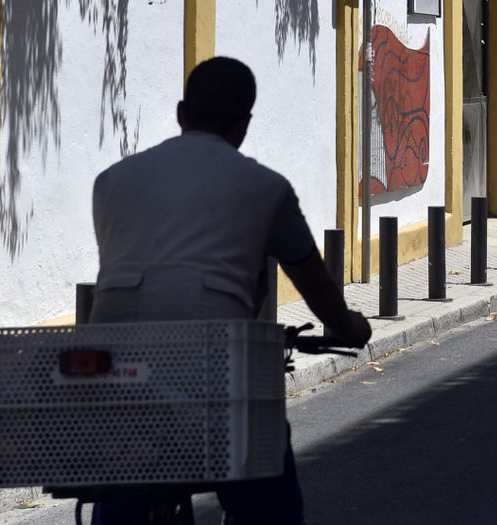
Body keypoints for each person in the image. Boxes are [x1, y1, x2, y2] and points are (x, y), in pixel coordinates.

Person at [89, 56, 371, 524]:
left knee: (122, 481)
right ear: (244, 125)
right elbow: (316, 286)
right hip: (218, 372)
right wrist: (348, 327)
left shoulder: (111, 182)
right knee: (268, 496)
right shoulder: (266, 187)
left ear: (182, 114)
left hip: (120, 373)